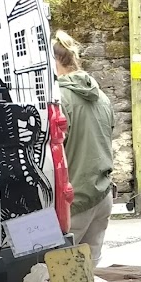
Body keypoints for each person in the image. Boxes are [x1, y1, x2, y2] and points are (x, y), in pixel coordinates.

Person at [53, 30, 115, 266]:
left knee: (61, 277)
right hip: (102, 194)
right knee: (87, 275)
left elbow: (53, 152)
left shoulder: (59, 98)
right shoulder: (101, 96)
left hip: (74, 201)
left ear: (55, 61)